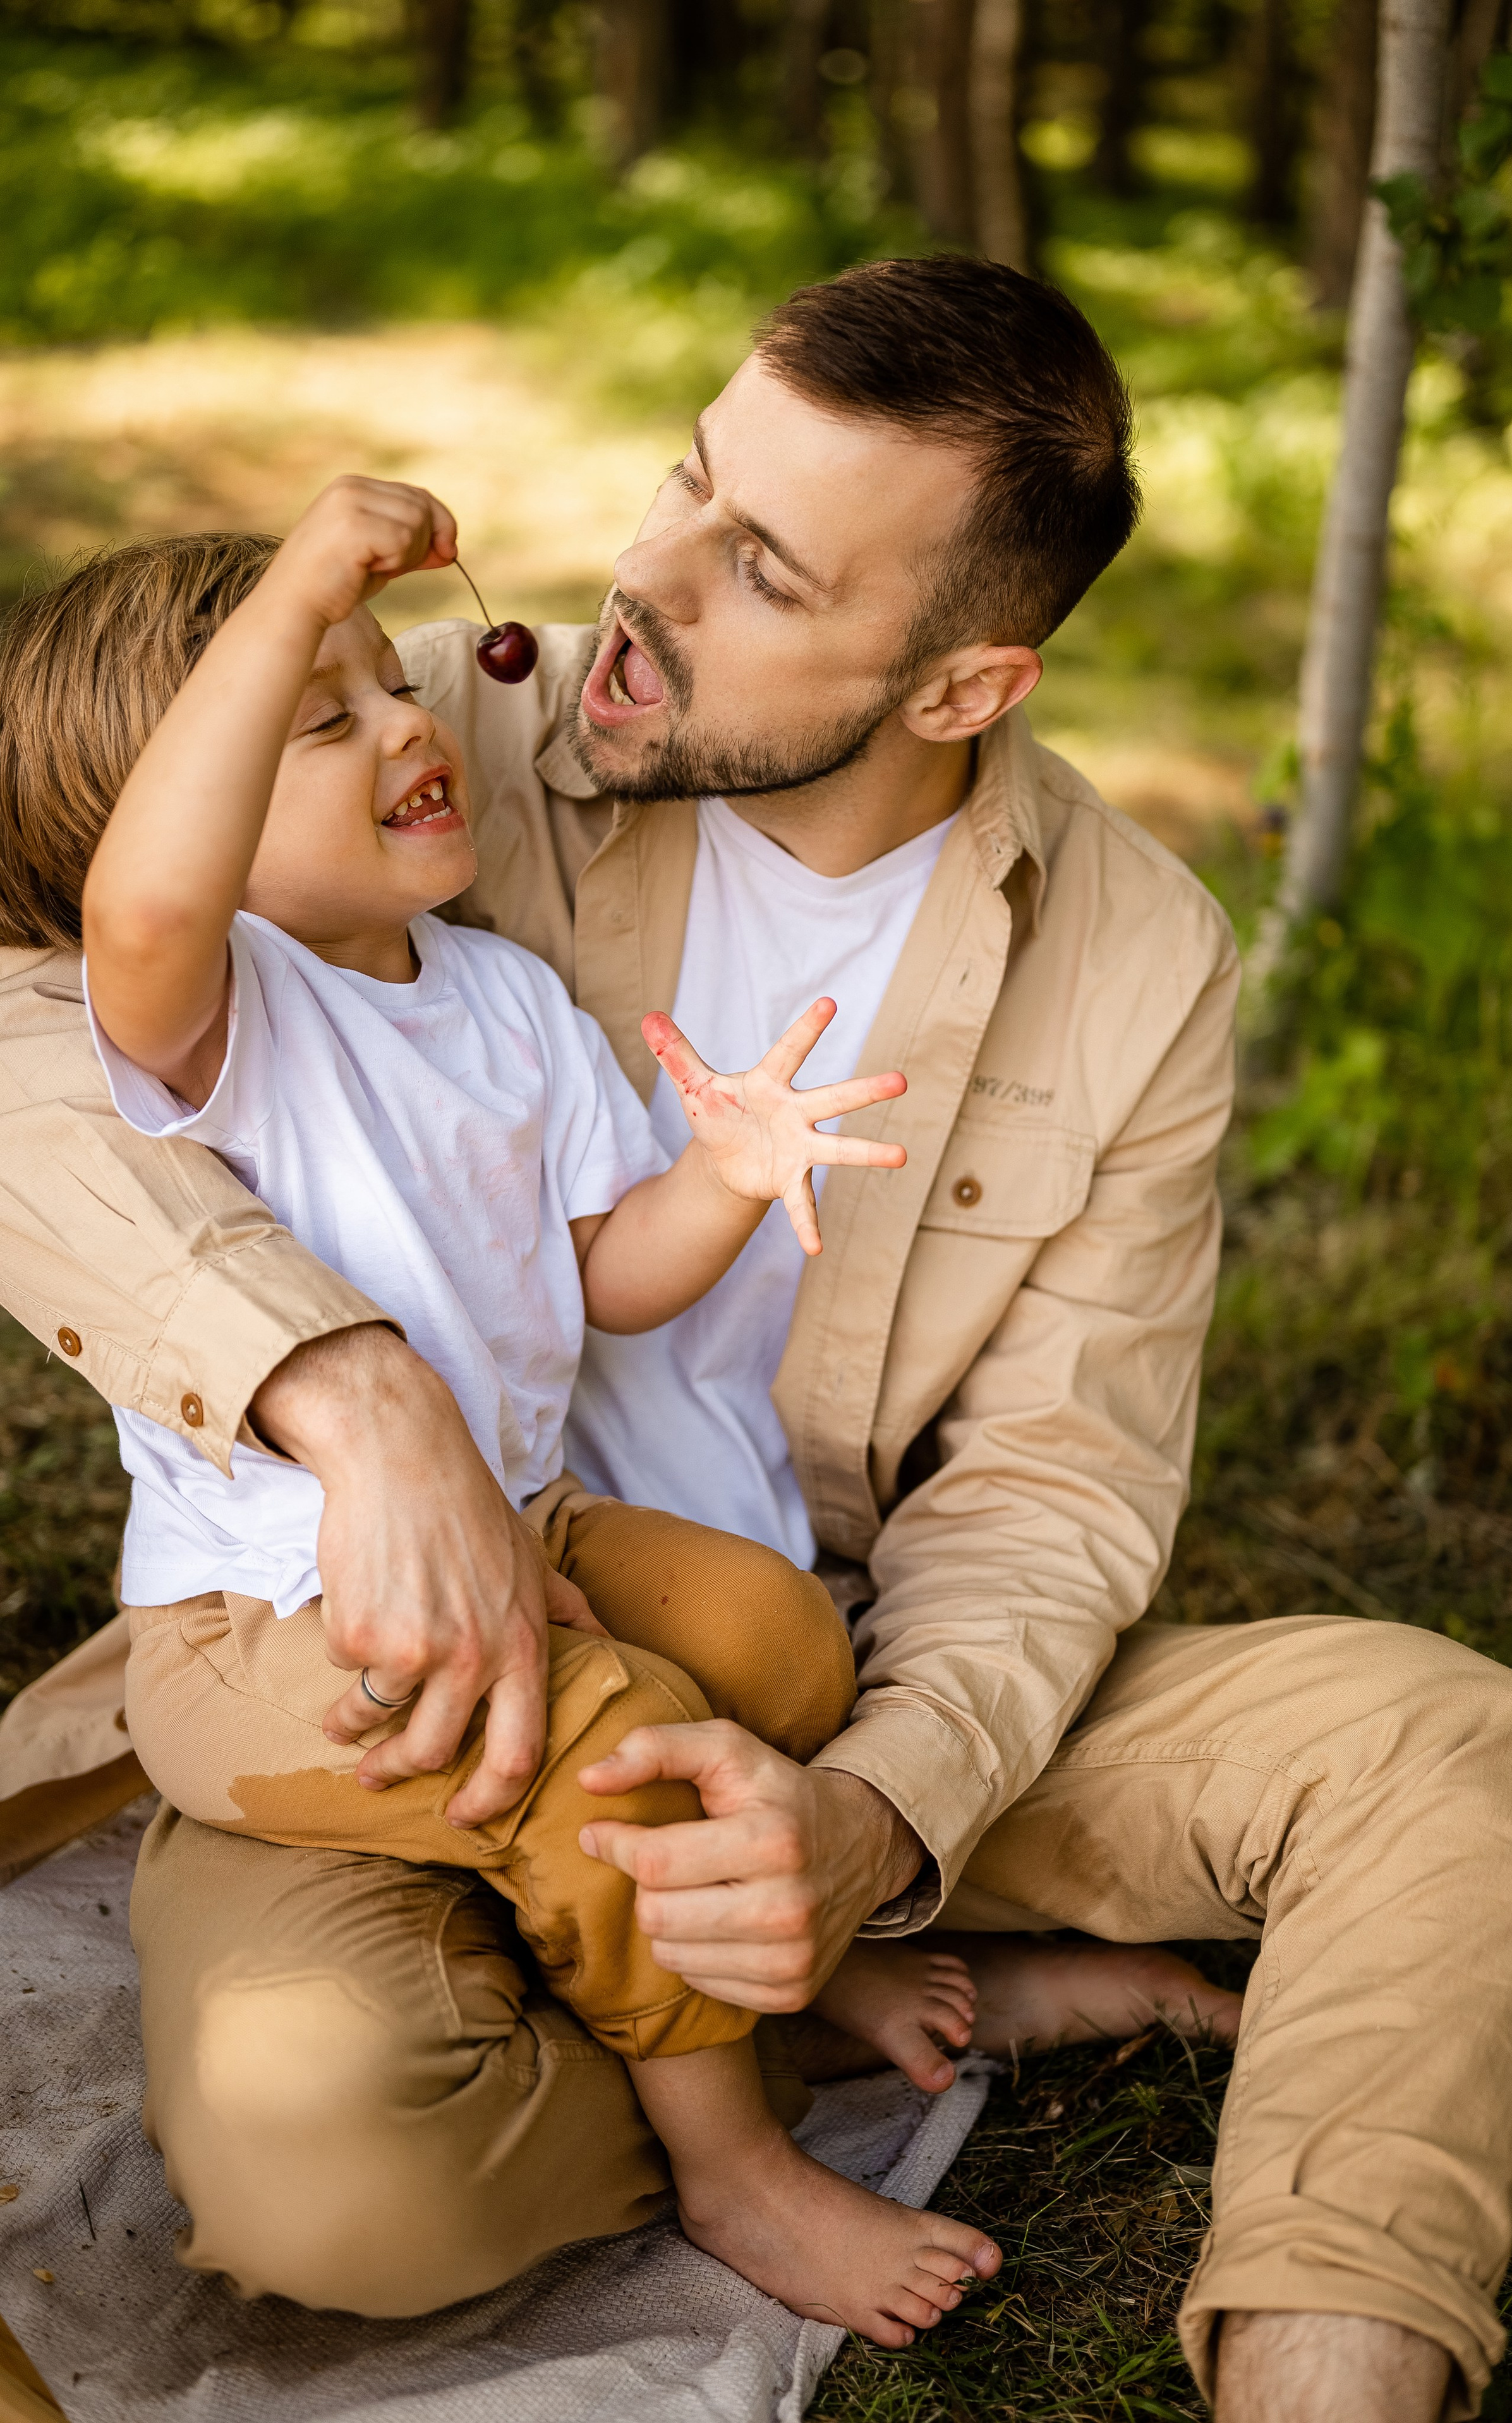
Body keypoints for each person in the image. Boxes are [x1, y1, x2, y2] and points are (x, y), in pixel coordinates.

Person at [0, 257, 1512, 2422]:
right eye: (685, 478)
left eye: (757, 566)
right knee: (324, 2176)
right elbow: (45, 1027)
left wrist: (864, 1816)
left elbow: (1055, 1487)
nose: (640, 578)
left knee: (1442, 1744)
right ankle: (800, 2026)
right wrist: (344, 1392)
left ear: (960, 682)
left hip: (816, 1669)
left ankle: (1306, 2357)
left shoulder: (1137, 961)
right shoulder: (429, 729)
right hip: (390, 1694)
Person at [49, 472, 1001, 2342]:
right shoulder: (206, 1011)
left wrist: (731, 1167)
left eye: (388, 683)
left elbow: (606, 1266)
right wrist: (308, 563)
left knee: (778, 1637)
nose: (412, 721)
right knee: (628, 1730)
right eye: (321, 719)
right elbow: (148, 885)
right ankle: (736, 2161)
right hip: (270, 1613)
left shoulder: (500, 998)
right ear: (208, 809)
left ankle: (723, 1961)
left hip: (527, 1522)